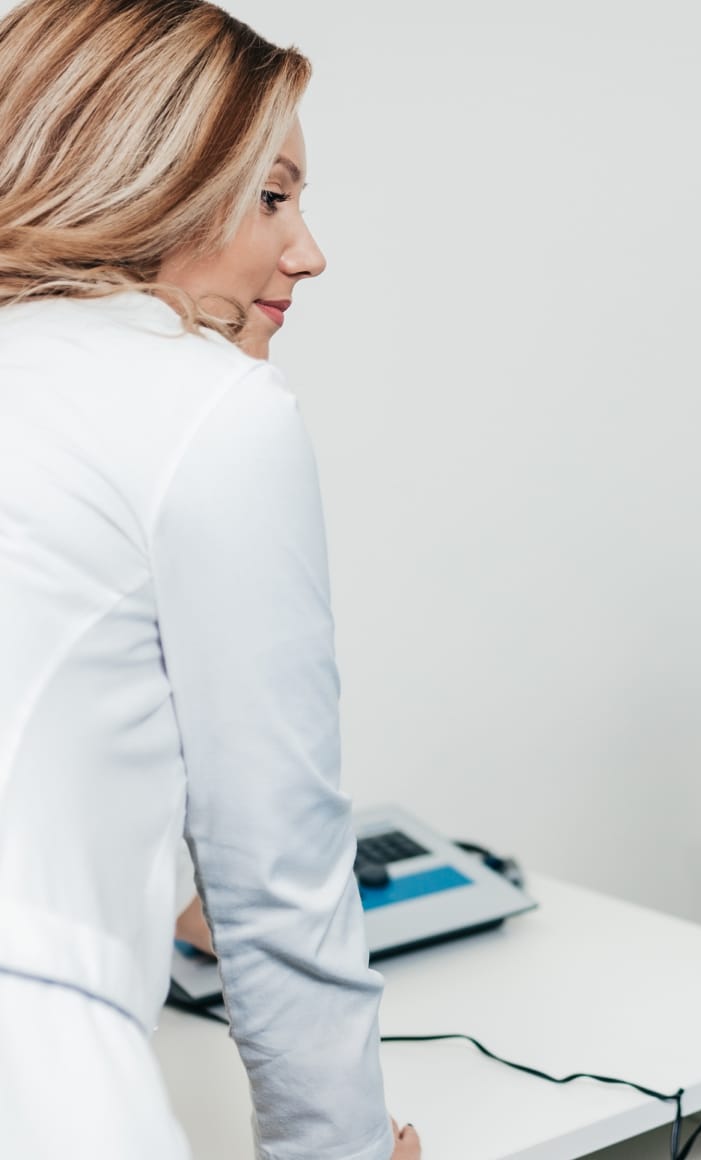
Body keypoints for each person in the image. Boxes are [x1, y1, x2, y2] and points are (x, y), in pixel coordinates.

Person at [0, 1, 417, 1156]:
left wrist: (145, 884)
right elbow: (282, 871)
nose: (309, 251)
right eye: (272, 196)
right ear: (144, 181)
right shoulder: (207, 406)